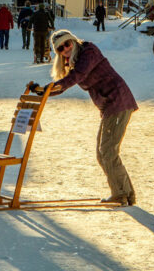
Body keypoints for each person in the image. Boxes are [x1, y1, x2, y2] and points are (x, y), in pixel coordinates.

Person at [30, 29, 138, 206]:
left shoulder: (88, 51)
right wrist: (44, 92)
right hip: (109, 105)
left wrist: (50, 88)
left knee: (108, 151)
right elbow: (66, 82)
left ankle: (121, 195)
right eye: (60, 48)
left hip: (117, 101)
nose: (65, 49)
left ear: (73, 40)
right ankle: (126, 194)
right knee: (102, 153)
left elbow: (76, 77)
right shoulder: (73, 62)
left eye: (67, 43)